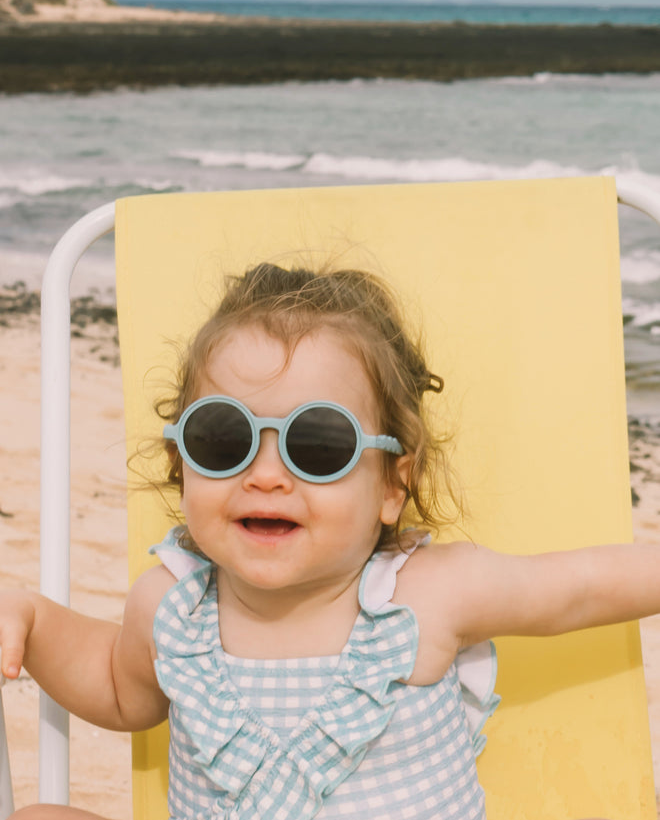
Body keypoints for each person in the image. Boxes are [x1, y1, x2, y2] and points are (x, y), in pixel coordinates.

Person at [1, 262, 657, 820]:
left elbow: (580, 587)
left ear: (391, 487)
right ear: (182, 466)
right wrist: (28, 616)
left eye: (317, 444)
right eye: (222, 439)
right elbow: (118, 687)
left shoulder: (427, 594)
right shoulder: (171, 605)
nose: (263, 475)